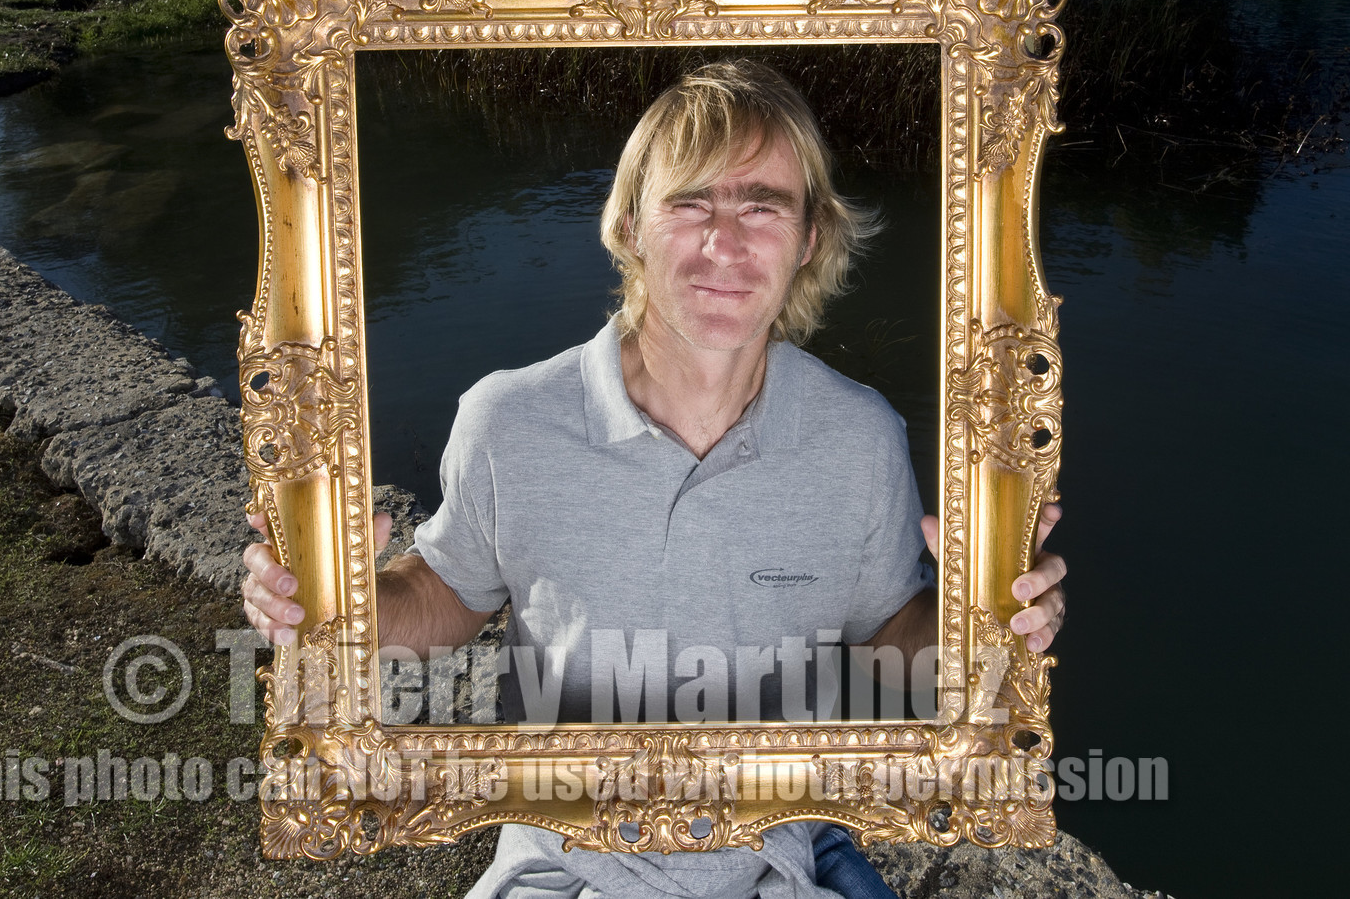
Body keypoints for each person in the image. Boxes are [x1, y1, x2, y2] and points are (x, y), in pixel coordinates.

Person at [242, 60, 1067, 898]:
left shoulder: (861, 438)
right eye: (691, 202)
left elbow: (888, 637)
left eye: (763, 205)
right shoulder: (509, 421)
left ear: (810, 238)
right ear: (631, 226)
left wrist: (986, 616)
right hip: (564, 862)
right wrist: (332, 604)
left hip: (774, 859)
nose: (726, 241)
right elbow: (450, 595)